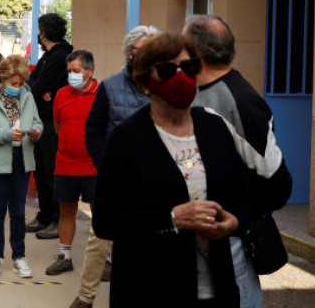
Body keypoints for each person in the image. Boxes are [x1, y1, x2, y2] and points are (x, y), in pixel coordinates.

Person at [93, 33, 255, 306]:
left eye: (189, 67)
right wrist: (172, 218)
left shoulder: (214, 128)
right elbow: (105, 221)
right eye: (168, 69)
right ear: (145, 81)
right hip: (151, 289)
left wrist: (235, 221)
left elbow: (245, 194)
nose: (181, 76)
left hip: (216, 289)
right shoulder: (127, 139)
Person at [184, 15, 292, 308]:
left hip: (230, 244)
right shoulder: (195, 92)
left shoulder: (238, 101)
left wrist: (238, 218)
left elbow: (277, 182)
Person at [69, 25, 159, 308]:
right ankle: (86, 297)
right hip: (115, 179)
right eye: (145, 51)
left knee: (148, 242)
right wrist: (104, 164)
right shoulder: (109, 87)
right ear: (131, 54)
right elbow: (93, 130)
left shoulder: (162, 87)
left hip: (152, 180)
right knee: (100, 237)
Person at [0, 54, 42, 279]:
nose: (18, 88)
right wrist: (4, 134)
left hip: (22, 157)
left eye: (21, 84)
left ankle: (19, 257)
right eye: (13, 84)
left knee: (19, 212)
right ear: (2, 79)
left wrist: (38, 131)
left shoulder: (27, 95)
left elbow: (37, 121)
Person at [46, 50, 99, 276]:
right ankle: (65, 256)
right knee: (66, 212)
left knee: (101, 214)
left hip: (94, 167)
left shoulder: (102, 94)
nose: (71, 76)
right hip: (65, 165)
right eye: (69, 71)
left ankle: (105, 258)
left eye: (76, 71)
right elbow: (58, 126)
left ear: (90, 71)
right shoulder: (61, 95)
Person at [26, 13, 73, 239]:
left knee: (52, 173)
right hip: (41, 119)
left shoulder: (59, 57)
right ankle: (44, 216)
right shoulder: (50, 56)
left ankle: (55, 219)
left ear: (43, 32)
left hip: (52, 123)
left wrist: (41, 90)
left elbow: (36, 87)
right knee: (42, 170)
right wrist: (38, 89)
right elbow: (31, 83)